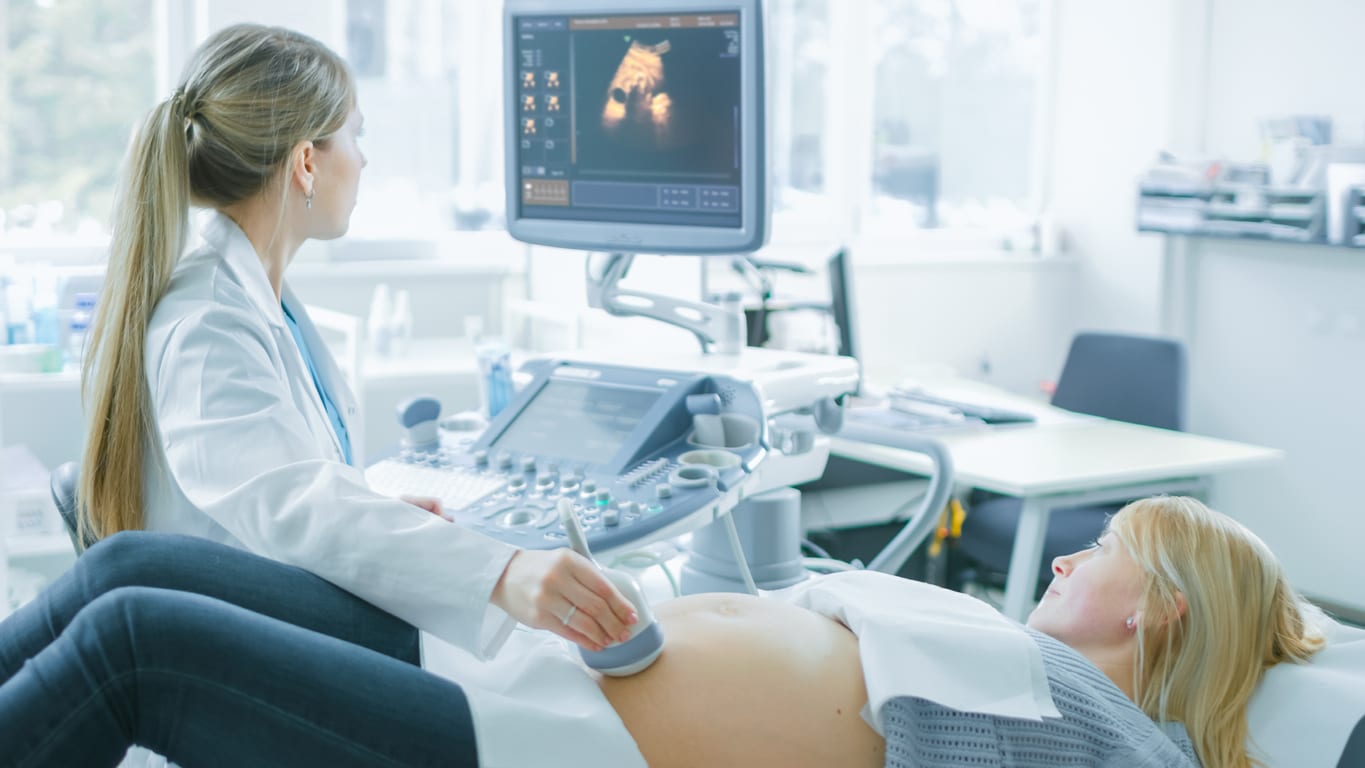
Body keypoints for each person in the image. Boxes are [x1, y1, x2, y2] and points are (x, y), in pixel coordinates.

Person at [0, 496, 1326, 767]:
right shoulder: (997, 639)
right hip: (521, 659)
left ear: (1155, 609)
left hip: (547, 739)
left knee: (137, 645)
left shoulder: (1100, 735)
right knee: (133, 564)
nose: (1077, 555)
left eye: (1109, 553)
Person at [77, 22, 636, 661]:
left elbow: (288, 484)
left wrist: (378, 510)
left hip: (282, 632)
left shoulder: (254, 298)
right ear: (306, 162)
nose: (364, 159)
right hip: (247, 675)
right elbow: (291, 506)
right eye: (355, 134)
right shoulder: (207, 325)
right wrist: (503, 572)